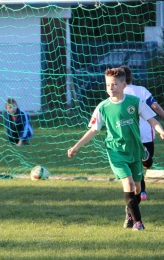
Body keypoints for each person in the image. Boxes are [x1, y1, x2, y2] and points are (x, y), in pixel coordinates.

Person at [68, 68, 164, 230]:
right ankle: (138, 222)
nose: (110, 88)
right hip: (116, 151)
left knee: (138, 188)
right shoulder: (102, 107)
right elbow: (93, 130)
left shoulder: (134, 102)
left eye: (114, 84)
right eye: (107, 85)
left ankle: (129, 212)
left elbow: (151, 119)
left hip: (135, 150)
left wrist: (161, 131)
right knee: (128, 183)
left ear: (124, 85)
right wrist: (76, 147)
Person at [121, 65, 164, 201]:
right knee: (145, 162)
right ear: (132, 77)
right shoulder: (142, 90)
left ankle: (141, 191)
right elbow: (155, 106)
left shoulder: (118, 92)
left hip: (127, 133)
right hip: (145, 132)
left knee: (133, 163)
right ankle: (142, 189)